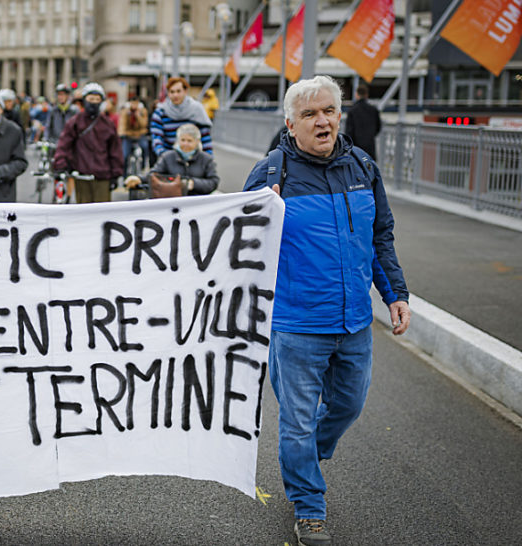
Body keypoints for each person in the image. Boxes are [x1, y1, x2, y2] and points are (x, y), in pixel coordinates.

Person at [243, 75, 410, 546]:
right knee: (296, 422)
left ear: (340, 115)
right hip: (296, 324)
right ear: (290, 123)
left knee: (348, 406)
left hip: (354, 321)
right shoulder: (270, 174)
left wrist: (395, 294)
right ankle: (309, 507)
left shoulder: (362, 166)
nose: (322, 121)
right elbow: (239, 246)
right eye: (310, 114)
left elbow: (379, 236)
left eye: (329, 111)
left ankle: (300, 459)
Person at [51, 82, 124, 204]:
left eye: (97, 99)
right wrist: (60, 165)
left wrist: (116, 173)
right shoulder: (75, 122)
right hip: (82, 175)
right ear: (84, 100)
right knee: (83, 210)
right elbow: (64, 145)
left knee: (102, 211)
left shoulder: (107, 124)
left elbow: (115, 150)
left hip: (103, 176)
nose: (94, 102)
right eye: (91, 99)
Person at [126, 123, 218, 196]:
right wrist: (139, 178)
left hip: (198, 201)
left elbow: (213, 182)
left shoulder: (207, 159)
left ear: (197, 142)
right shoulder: (167, 157)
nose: (185, 144)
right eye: (183, 140)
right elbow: (154, 174)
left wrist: (193, 183)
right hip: (172, 201)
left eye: (189, 141)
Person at [151, 77, 213, 156]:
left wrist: (208, 157)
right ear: (168, 93)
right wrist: (164, 155)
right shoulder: (160, 112)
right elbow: (157, 138)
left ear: (185, 91)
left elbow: (205, 137)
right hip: (168, 156)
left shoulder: (196, 110)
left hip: (194, 157)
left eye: (178, 91)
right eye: (172, 92)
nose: (175, 95)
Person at [345, 83, 382, 160]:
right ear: (367, 95)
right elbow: (378, 127)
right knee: (369, 165)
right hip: (370, 147)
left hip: (356, 149)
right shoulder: (374, 110)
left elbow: (349, 132)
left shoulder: (352, 110)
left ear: (357, 95)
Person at [118, 96, 150, 175]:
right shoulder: (125, 111)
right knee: (125, 155)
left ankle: (143, 167)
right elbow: (122, 124)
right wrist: (122, 133)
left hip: (140, 134)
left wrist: (138, 116)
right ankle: (124, 173)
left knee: (145, 147)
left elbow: (144, 124)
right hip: (128, 135)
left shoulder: (143, 111)